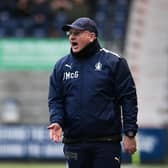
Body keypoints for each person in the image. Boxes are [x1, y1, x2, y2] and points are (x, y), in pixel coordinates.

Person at [48, 17, 138, 168]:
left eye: (77, 33)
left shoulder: (114, 62)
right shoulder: (61, 66)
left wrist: (130, 133)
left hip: (107, 143)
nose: (72, 37)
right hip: (74, 143)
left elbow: (128, 99)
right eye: (70, 34)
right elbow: (56, 99)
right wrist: (57, 121)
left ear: (91, 36)